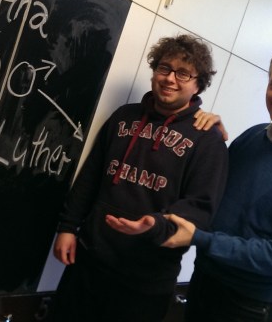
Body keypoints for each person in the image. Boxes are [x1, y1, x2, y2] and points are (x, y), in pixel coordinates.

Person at [109, 43, 272, 322]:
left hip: (249, 306)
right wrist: (210, 142)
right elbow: (214, 194)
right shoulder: (252, 138)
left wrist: (199, 238)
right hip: (204, 282)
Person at [49, 34, 229, 322]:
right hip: (88, 263)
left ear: (198, 84)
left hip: (145, 281)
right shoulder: (124, 116)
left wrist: (156, 225)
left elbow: (200, 209)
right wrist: (68, 227)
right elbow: (90, 177)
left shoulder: (208, 141)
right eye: (164, 68)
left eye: (183, 73)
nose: (170, 79)